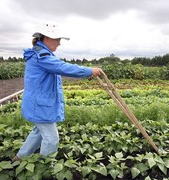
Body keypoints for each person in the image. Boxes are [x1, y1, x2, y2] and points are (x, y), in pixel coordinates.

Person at [13, 24, 103, 161]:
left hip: (40, 103)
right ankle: (44, 168)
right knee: (51, 139)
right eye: (57, 40)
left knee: (38, 132)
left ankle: (20, 158)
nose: (59, 43)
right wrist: (89, 71)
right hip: (40, 105)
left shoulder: (41, 54)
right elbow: (63, 67)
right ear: (48, 38)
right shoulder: (42, 56)